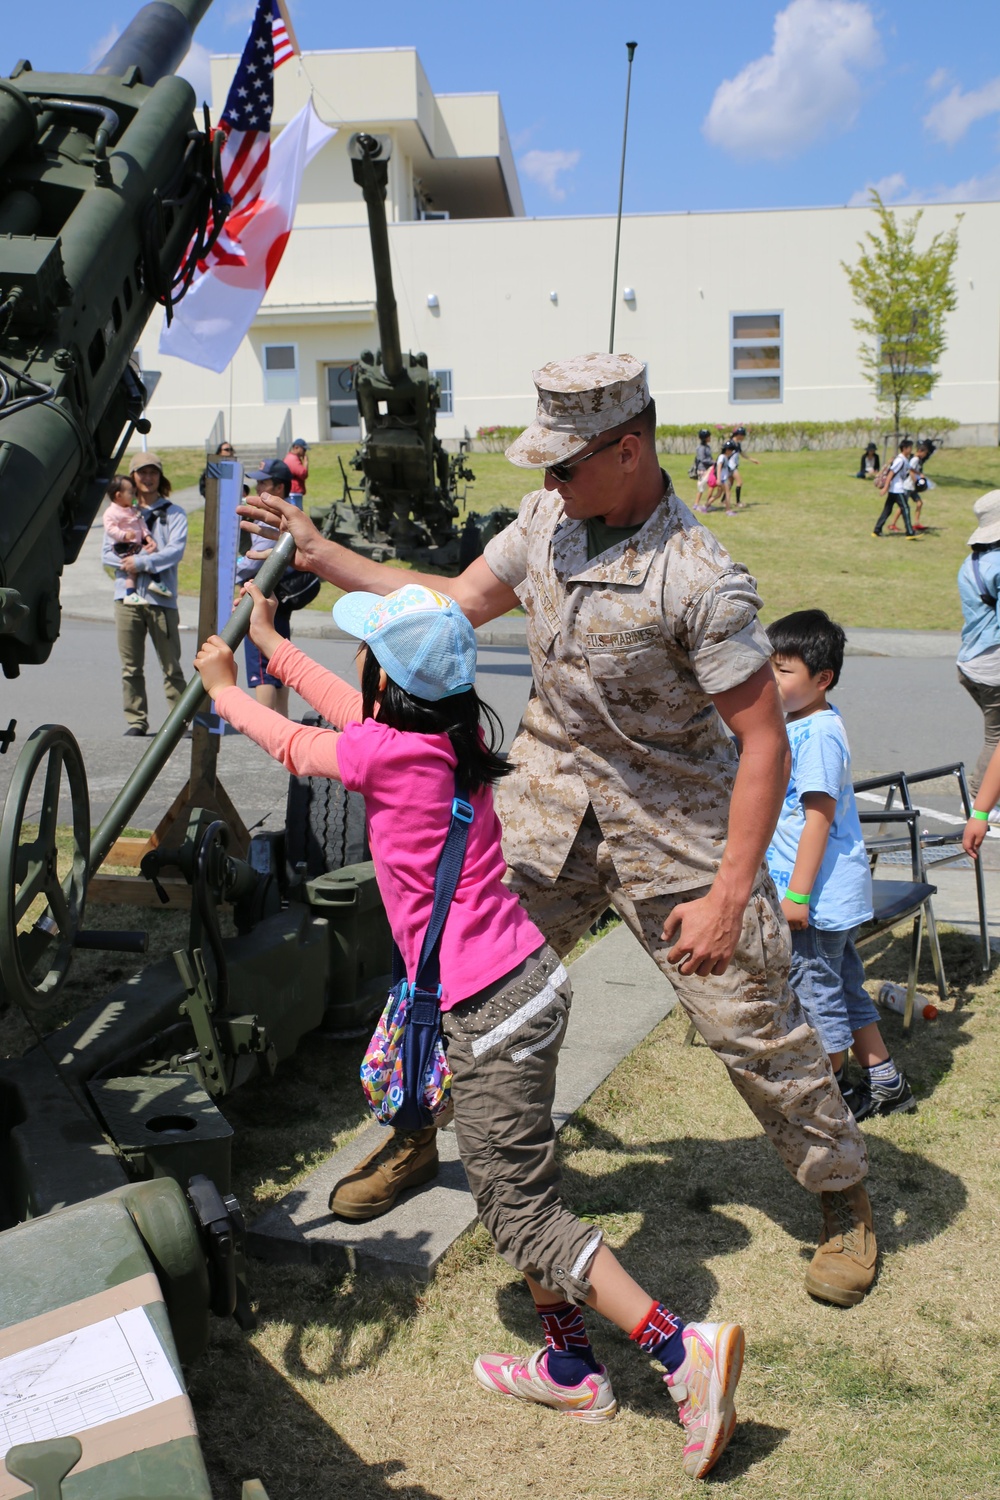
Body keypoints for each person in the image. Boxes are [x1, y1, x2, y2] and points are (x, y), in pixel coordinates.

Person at [238, 352, 876, 1311]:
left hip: (673, 830)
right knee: (443, 971)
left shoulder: (702, 580)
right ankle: (414, 1129)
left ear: (627, 452)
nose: (546, 484)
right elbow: (454, 600)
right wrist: (327, 558)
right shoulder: (547, 521)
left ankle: (843, 1197)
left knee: (752, 1020)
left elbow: (763, 743)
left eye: (564, 466)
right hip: (541, 808)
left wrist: (730, 894)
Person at [194, 581, 746, 1479]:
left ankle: (682, 1350)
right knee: (511, 1183)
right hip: (521, 986)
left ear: (387, 681)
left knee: (519, 1208)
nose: (358, 668)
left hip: (490, 1008)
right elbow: (342, 709)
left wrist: (226, 685)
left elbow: (298, 742)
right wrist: (268, 642)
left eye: (365, 653)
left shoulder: (386, 753)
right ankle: (568, 1366)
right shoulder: (450, 737)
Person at [765, 609, 914, 1122]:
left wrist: (798, 895)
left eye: (784, 670)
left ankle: (830, 1097)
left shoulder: (820, 734)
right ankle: (887, 1081)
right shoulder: (800, 723)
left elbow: (818, 819)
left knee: (817, 995)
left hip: (817, 899)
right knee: (844, 987)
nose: (771, 677)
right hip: (828, 895)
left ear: (821, 678)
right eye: (771, 665)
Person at [102, 453, 188, 737]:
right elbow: (106, 554)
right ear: (132, 478)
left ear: (160, 477)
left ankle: (180, 721)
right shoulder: (118, 513)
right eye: (142, 473)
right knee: (130, 666)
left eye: (153, 472)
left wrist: (141, 562)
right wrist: (128, 561)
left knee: (171, 665)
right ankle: (136, 720)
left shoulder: (173, 513)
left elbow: (174, 552)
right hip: (126, 600)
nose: (148, 478)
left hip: (160, 599)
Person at [237, 458, 301, 717]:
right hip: (283, 596)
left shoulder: (273, 517)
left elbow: (257, 558)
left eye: (265, 481)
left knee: (262, 664)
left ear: (280, 488)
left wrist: (232, 569)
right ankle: (283, 720)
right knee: (280, 654)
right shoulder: (292, 511)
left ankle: (268, 725)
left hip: (264, 596)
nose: (259, 486)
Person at [956, 490, 1000, 792]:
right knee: (996, 738)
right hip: (992, 662)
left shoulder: (971, 563)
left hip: (971, 661)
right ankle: (979, 799)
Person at [101, 476, 173, 605]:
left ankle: (141, 588)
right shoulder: (111, 513)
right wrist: (124, 535)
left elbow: (142, 525)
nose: (134, 496)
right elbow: (110, 529)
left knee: (142, 561)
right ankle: (145, 586)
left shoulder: (133, 509)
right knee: (145, 558)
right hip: (123, 546)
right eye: (131, 493)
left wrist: (147, 536)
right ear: (118, 495)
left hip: (135, 544)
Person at [871, 438, 917, 539]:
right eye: (910, 447)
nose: (911, 449)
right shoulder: (900, 460)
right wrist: (885, 488)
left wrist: (920, 475)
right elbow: (891, 473)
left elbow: (910, 469)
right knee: (905, 509)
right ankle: (909, 532)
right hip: (897, 489)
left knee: (887, 510)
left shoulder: (904, 459)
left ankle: (876, 530)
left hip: (894, 490)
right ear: (904, 448)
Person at [728, 425, 760, 508]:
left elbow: (742, 454)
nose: (744, 437)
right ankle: (738, 502)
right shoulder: (731, 443)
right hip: (731, 466)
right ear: (739, 435)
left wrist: (752, 460)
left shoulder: (737, 444)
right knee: (739, 482)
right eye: (743, 435)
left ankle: (724, 500)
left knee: (730, 484)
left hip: (733, 466)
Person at [692, 428, 713, 506]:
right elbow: (702, 459)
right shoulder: (701, 448)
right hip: (702, 469)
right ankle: (696, 504)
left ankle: (708, 504)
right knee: (701, 487)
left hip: (709, 469)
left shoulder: (707, 447)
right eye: (708, 436)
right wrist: (713, 462)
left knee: (711, 486)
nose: (710, 438)